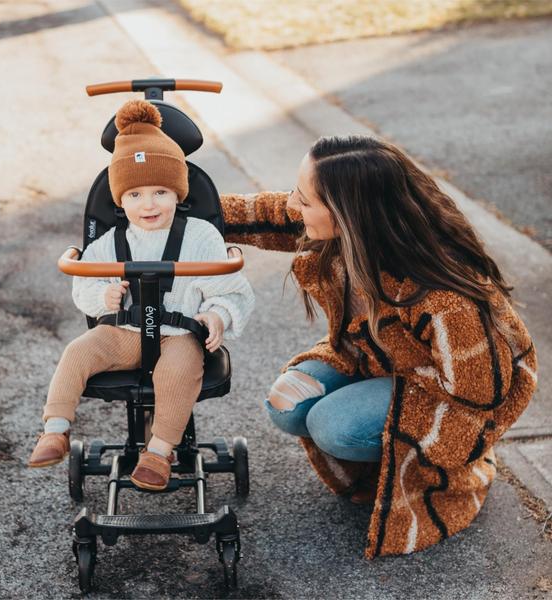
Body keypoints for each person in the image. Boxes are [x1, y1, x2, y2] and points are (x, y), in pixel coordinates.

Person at [219, 135, 537, 558]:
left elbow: (478, 397)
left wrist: (425, 447)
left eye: (306, 200)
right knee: (286, 405)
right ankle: (377, 449)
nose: (293, 205)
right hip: (376, 355)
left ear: (349, 214)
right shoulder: (350, 234)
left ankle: (446, 474)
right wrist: (180, 203)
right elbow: (268, 213)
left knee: (334, 426)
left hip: (447, 392)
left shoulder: (443, 297)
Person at [28, 100, 254, 491]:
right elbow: (85, 286)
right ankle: (55, 428)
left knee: (177, 372)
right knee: (77, 352)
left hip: (180, 334)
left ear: (178, 192)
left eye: (160, 192)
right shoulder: (110, 243)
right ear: (120, 199)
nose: (148, 204)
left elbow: (230, 288)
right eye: (135, 196)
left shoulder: (199, 235)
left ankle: (159, 452)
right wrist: (105, 298)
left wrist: (217, 315)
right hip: (124, 333)